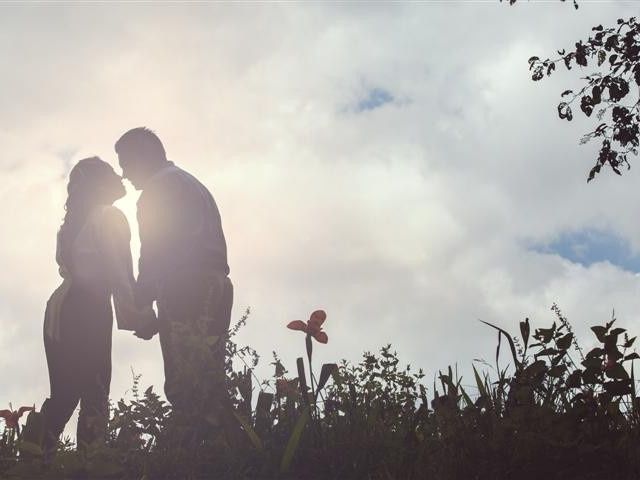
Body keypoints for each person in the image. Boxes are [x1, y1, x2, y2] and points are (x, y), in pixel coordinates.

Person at [41, 157, 154, 454]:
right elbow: (119, 272)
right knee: (95, 391)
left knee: (65, 394)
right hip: (87, 309)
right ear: (98, 184)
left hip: (60, 309)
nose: (119, 176)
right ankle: (89, 466)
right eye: (109, 172)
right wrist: (141, 316)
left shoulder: (72, 225)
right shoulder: (109, 216)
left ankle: (29, 461)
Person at [115, 127, 233, 411]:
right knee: (210, 377)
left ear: (143, 156)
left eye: (126, 164)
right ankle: (222, 445)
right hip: (217, 285)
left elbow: (156, 249)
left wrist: (141, 303)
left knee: (185, 382)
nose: (124, 174)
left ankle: (189, 451)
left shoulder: (157, 190)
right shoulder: (193, 184)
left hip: (186, 289)